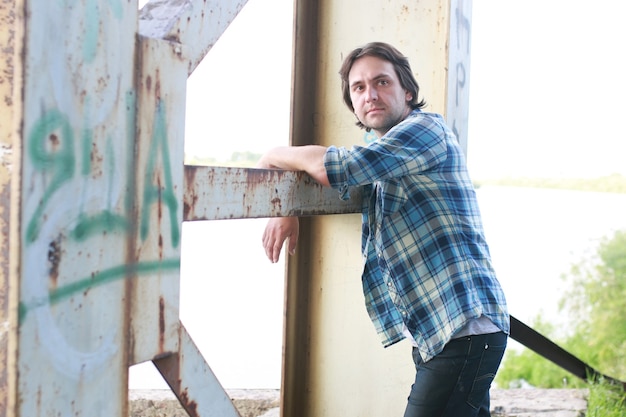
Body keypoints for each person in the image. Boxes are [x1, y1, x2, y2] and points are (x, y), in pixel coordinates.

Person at [256, 41, 510, 417]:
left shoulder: (424, 131)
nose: (370, 94)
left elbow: (333, 167)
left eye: (381, 82)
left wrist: (270, 156)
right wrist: (286, 205)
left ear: (406, 90)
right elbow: (333, 173)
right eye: (358, 88)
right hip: (446, 333)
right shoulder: (385, 158)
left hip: (463, 329)